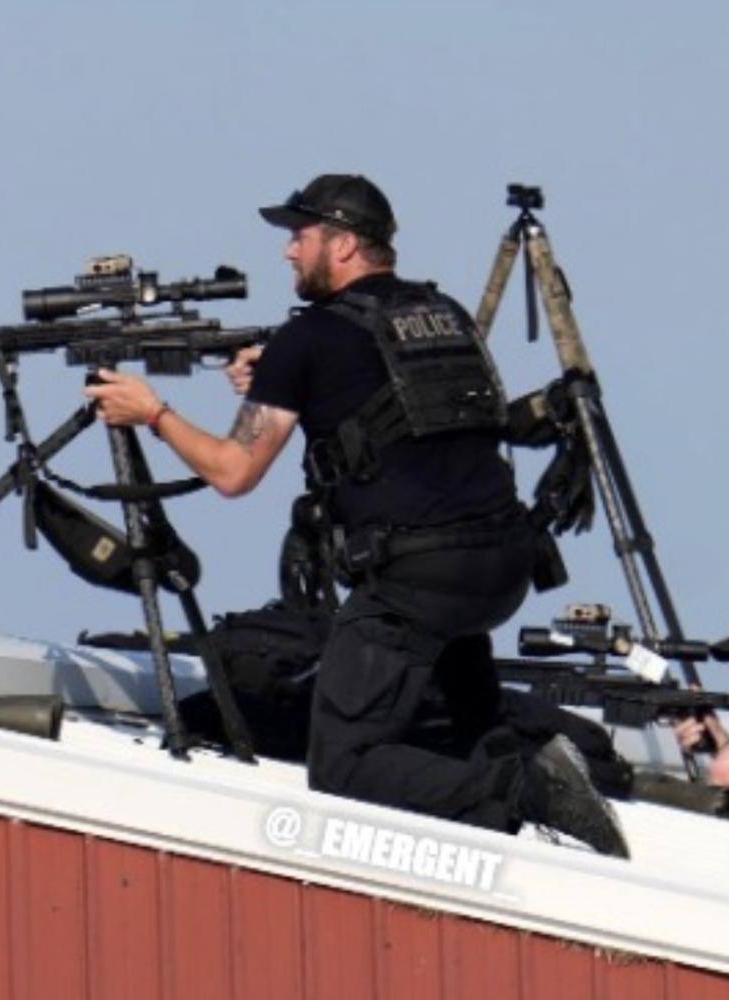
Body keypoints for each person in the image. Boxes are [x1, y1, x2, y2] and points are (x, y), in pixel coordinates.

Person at [86, 174, 628, 856]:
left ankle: (527, 792)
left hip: (415, 578)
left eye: (300, 236)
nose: (287, 252)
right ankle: (526, 795)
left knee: (344, 765)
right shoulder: (445, 313)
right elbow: (395, 403)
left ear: (342, 245)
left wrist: (153, 414)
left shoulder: (308, 339)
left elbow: (233, 471)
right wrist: (289, 380)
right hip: (500, 565)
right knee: (465, 720)